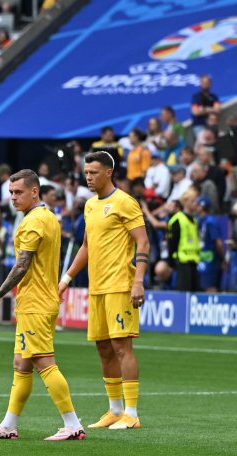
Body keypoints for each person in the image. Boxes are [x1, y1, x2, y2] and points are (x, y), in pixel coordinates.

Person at [0, 169, 85, 441]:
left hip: (36, 302)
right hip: (38, 299)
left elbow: (22, 264)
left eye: (18, 192)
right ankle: (8, 425)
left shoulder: (34, 222)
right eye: (11, 192)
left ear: (34, 191)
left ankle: (72, 424)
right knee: (21, 363)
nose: (13, 197)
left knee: (43, 361)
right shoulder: (47, 217)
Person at [58, 151, 150, 430]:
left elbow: (143, 242)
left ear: (108, 172)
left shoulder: (125, 202)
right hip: (96, 287)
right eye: (86, 172)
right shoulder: (89, 205)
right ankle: (114, 410)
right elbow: (86, 247)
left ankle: (132, 414)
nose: (88, 177)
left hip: (120, 285)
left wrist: (138, 281)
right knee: (104, 349)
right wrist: (66, 279)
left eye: (94, 172)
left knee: (122, 347)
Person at [167, 188, 201, 292]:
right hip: (182, 260)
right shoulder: (178, 219)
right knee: (183, 291)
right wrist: (171, 261)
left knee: (194, 291)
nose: (196, 204)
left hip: (194, 260)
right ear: (185, 202)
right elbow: (172, 242)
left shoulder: (194, 220)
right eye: (193, 201)